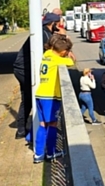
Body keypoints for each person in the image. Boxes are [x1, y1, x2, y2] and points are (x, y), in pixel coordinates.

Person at [12, 12, 61, 140]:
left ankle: (21, 130)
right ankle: (33, 132)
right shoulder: (44, 34)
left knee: (27, 99)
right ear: (53, 23)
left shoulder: (44, 32)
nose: (60, 25)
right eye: (59, 22)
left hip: (21, 69)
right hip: (24, 70)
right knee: (35, 97)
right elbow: (52, 52)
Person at [33, 35, 75, 163]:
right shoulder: (57, 59)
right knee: (52, 124)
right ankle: (51, 152)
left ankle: (38, 154)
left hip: (40, 94)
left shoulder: (46, 55)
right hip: (50, 96)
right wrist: (70, 56)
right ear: (63, 52)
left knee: (42, 125)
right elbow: (71, 62)